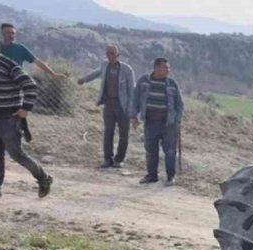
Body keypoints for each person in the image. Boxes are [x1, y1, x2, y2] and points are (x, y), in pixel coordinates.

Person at [0, 35, 52, 198]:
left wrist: (25, 108)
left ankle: (43, 178)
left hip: (8, 119)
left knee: (17, 154)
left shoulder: (9, 65)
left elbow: (30, 85)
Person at [78, 45, 135, 168]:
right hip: (109, 104)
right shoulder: (105, 66)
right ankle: (107, 159)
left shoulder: (126, 69)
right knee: (108, 132)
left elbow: (132, 90)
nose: (110, 56)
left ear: (117, 55)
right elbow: (95, 73)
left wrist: (131, 109)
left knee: (124, 134)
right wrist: (83, 79)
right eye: (108, 54)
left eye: (112, 54)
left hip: (123, 106)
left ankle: (119, 159)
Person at [131, 57, 184, 186]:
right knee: (150, 149)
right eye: (165, 67)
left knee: (170, 151)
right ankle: (152, 175)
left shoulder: (172, 84)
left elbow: (179, 104)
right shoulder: (144, 81)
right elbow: (135, 99)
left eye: (168, 68)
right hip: (150, 122)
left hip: (168, 124)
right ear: (156, 68)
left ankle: (170, 176)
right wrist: (133, 116)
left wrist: (177, 120)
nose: (168, 70)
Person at [0, 23, 67, 79]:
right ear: (2, 33)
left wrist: (53, 74)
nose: (11, 35)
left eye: (13, 33)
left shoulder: (20, 48)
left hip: (15, 83)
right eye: (8, 33)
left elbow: (37, 61)